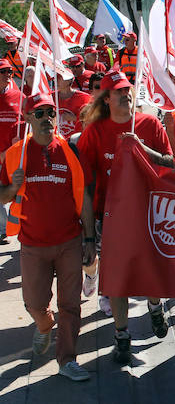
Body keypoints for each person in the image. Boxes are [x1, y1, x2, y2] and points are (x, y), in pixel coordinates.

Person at [78, 71, 174, 363]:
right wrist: (89, 236)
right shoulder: (94, 132)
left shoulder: (150, 123)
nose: (126, 94)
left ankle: (155, 308)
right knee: (117, 279)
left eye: (128, 89)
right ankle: (122, 336)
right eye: (119, 91)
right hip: (111, 218)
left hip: (148, 213)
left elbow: (172, 163)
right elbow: (86, 184)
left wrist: (142, 149)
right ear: (107, 99)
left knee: (152, 271)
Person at [0, 93, 94, 381]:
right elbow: (2, 195)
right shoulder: (15, 154)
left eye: (50, 113)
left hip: (69, 241)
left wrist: (89, 240)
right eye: (39, 114)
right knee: (34, 303)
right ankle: (44, 326)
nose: (46, 119)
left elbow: (84, 198)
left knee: (71, 305)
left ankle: (67, 359)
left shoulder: (69, 150)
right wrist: (13, 188)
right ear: (28, 118)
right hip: (32, 244)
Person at [55, 71, 92, 140]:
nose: (56, 80)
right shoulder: (50, 97)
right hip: (57, 141)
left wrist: (75, 118)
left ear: (69, 81)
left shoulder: (84, 98)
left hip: (76, 141)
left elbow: (90, 119)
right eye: (56, 77)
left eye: (60, 78)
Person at [0, 59, 22, 153]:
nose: (7, 74)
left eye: (9, 71)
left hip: (13, 153)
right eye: (2, 71)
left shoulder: (20, 96)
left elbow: (29, 122)